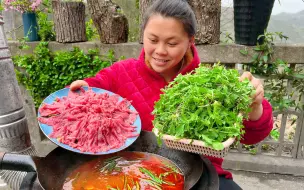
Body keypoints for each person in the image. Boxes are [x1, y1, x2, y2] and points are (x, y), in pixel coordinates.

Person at [70, 0, 273, 189]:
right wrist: (85, 87)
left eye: (172, 43)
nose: (160, 51)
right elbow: (97, 85)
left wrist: (255, 106)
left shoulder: (212, 84)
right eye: (153, 40)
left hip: (200, 174)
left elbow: (252, 136)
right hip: (133, 172)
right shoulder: (122, 72)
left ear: (190, 41)